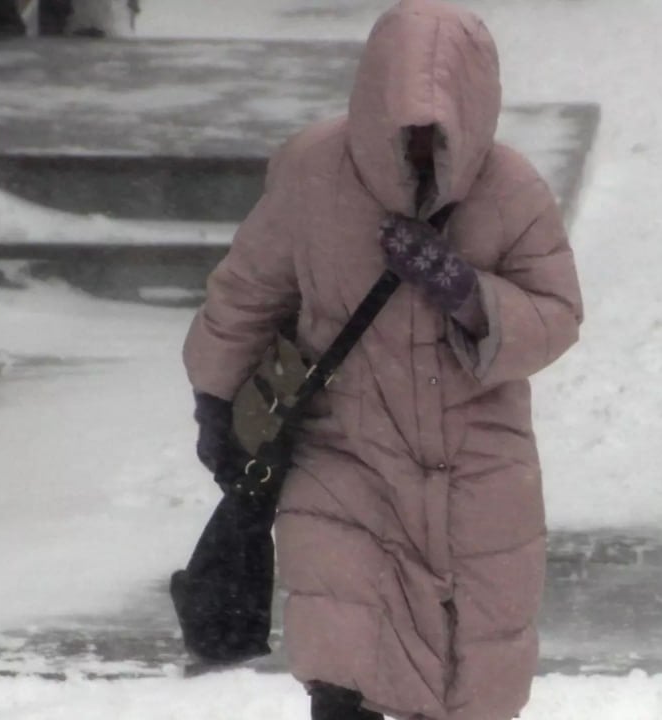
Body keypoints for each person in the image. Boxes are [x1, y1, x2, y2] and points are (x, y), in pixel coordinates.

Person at [183, 1, 583, 719]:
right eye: (406, 135)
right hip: (345, 462)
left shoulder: (513, 190)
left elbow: (557, 315)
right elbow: (247, 292)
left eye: (438, 138)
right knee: (347, 659)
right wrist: (216, 402)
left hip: (478, 471)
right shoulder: (314, 171)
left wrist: (468, 295)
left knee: (475, 672)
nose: (421, 154)